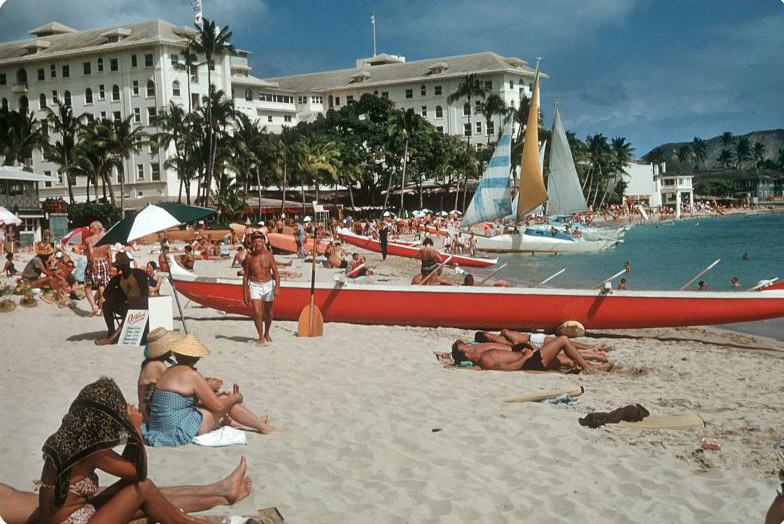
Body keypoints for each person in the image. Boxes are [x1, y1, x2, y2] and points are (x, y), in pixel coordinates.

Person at [36, 377, 244, 524]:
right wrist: (136, 431)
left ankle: (197, 511)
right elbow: (139, 474)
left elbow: (128, 475)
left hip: (64, 517)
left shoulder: (66, 439)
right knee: (143, 488)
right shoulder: (93, 453)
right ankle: (189, 522)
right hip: (73, 521)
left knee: (131, 490)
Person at [142, 333, 277, 447]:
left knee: (221, 402)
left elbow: (180, 401)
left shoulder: (168, 371)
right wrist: (237, 397)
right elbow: (218, 406)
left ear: (176, 355)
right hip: (177, 429)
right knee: (226, 401)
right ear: (197, 358)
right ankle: (264, 428)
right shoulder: (192, 375)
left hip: (159, 427)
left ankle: (255, 423)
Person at [451, 337, 611, 372]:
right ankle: (589, 367)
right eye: (464, 345)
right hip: (532, 361)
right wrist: (525, 357)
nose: (468, 344)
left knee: (568, 360)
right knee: (562, 340)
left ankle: (597, 364)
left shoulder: (482, 355)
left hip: (530, 358)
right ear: (465, 352)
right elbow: (509, 368)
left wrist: (522, 354)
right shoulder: (485, 360)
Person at [95, 251, 149, 346]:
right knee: (106, 305)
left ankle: (111, 340)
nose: (123, 267)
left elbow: (145, 293)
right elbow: (105, 294)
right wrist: (113, 297)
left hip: (141, 305)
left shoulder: (138, 274)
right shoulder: (117, 279)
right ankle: (111, 332)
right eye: (122, 265)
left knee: (128, 314)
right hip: (126, 305)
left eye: (124, 264)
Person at [474, 329, 610, 363]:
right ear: (486, 335)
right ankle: (593, 350)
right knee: (566, 344)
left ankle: (593, 349)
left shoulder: (498, 338)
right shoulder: (498, 340)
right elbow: (515, 344)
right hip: (533, 341)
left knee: (567, 345)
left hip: (533, 340)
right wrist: (507, 333)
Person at [242, 233, 280, 346]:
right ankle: (261, 337)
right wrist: (244, 294)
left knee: (269, 313)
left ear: (264, 242)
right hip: (255, 286)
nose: (257, 243)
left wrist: (277, 287)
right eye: (255, 241)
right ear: (252, 243)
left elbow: (276, 273)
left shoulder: (269, 255)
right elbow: (245, 276)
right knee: (257, 313)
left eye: (260, 241)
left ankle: (267, 332)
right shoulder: (249, 257)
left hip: (268, 285)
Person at [84, 221, 111, 318]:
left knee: (88, 288)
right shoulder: (107, 239)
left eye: (90, 228)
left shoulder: (89, 240)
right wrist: (109, 268)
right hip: (104, 263)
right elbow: (110, 256)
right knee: (102, 287)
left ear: (94, 229)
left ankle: (94, 306)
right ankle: (103, 312)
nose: (89, 230)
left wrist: (92, 266)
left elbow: (91, 253)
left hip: (94, 262)